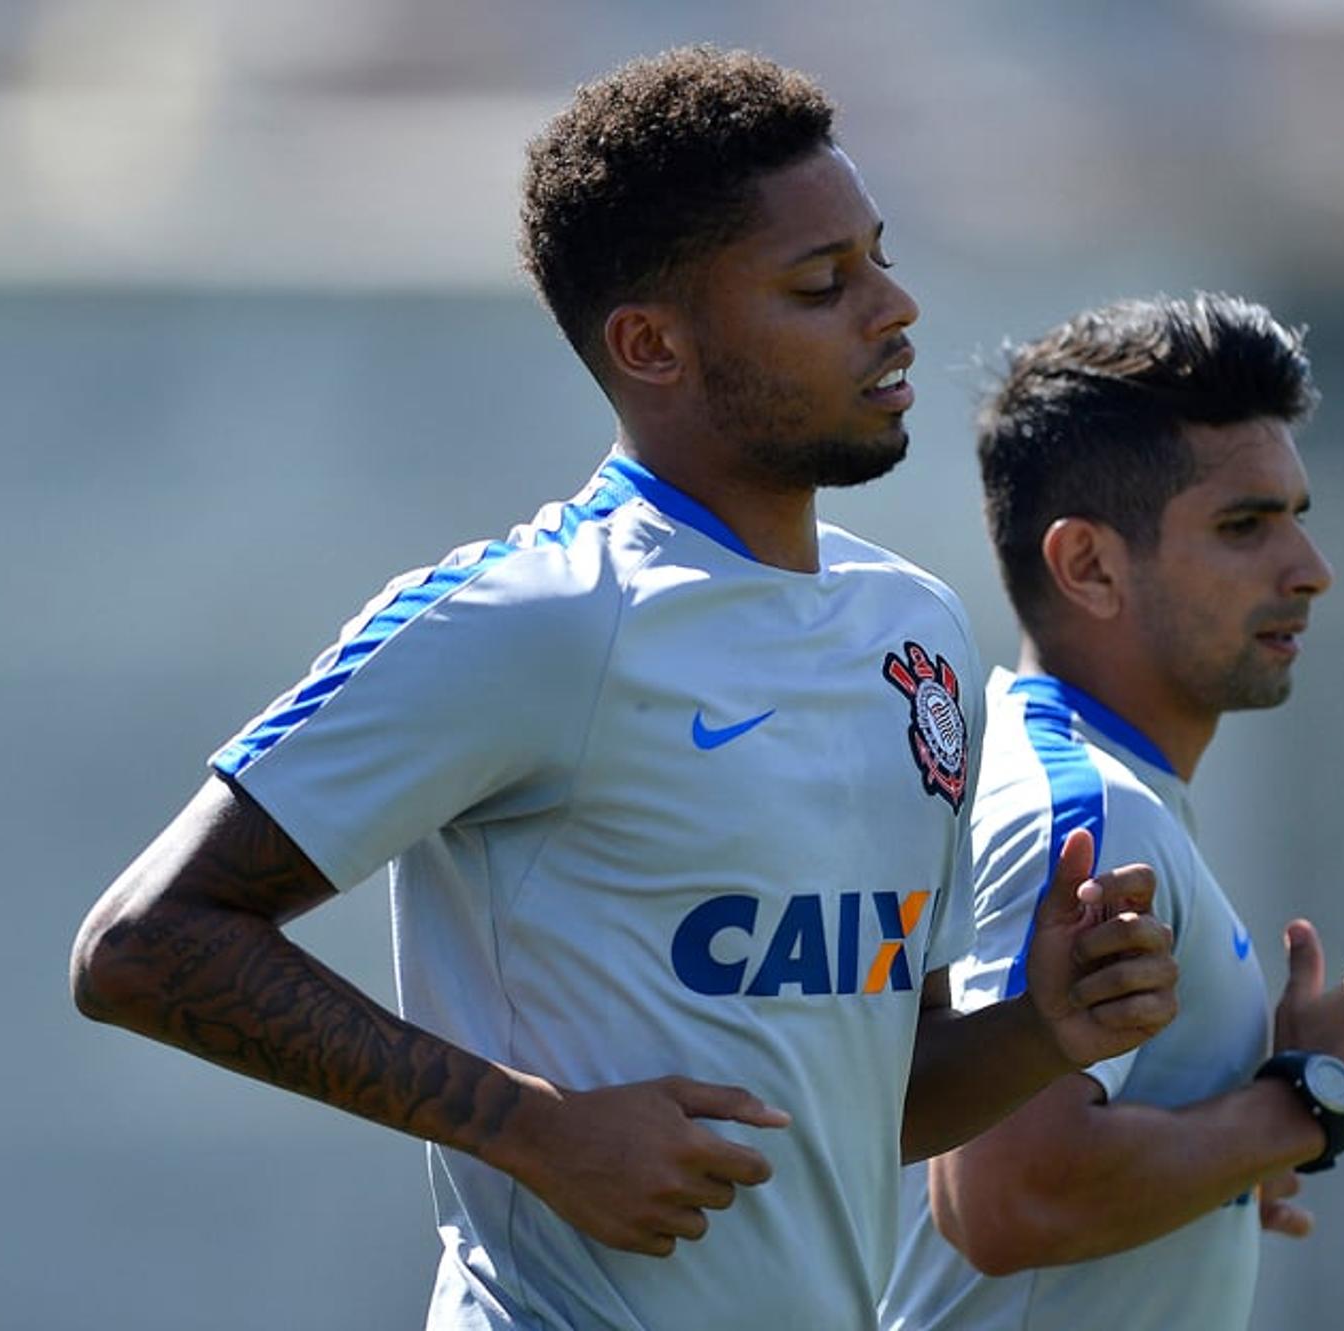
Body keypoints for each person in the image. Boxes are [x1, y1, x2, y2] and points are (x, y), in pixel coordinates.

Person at [69, 48, 1180, 1331]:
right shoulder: (536, 616)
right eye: (823, 284)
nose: (895, 306)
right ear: (652, 344)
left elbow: (865, 1095)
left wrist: (1046, 1023)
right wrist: (530, 1128)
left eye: (878, 254)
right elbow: (144, 943)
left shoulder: (913, 629)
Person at [879, 293, 1344, 1331]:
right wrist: (1316, 1098)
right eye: (1244, 526)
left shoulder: (1062, 771)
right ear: (1090, 565)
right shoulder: (1084, 807)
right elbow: (1006, 1196)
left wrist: (1217, 1158)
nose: (1310, 571)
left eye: (1296, 518)